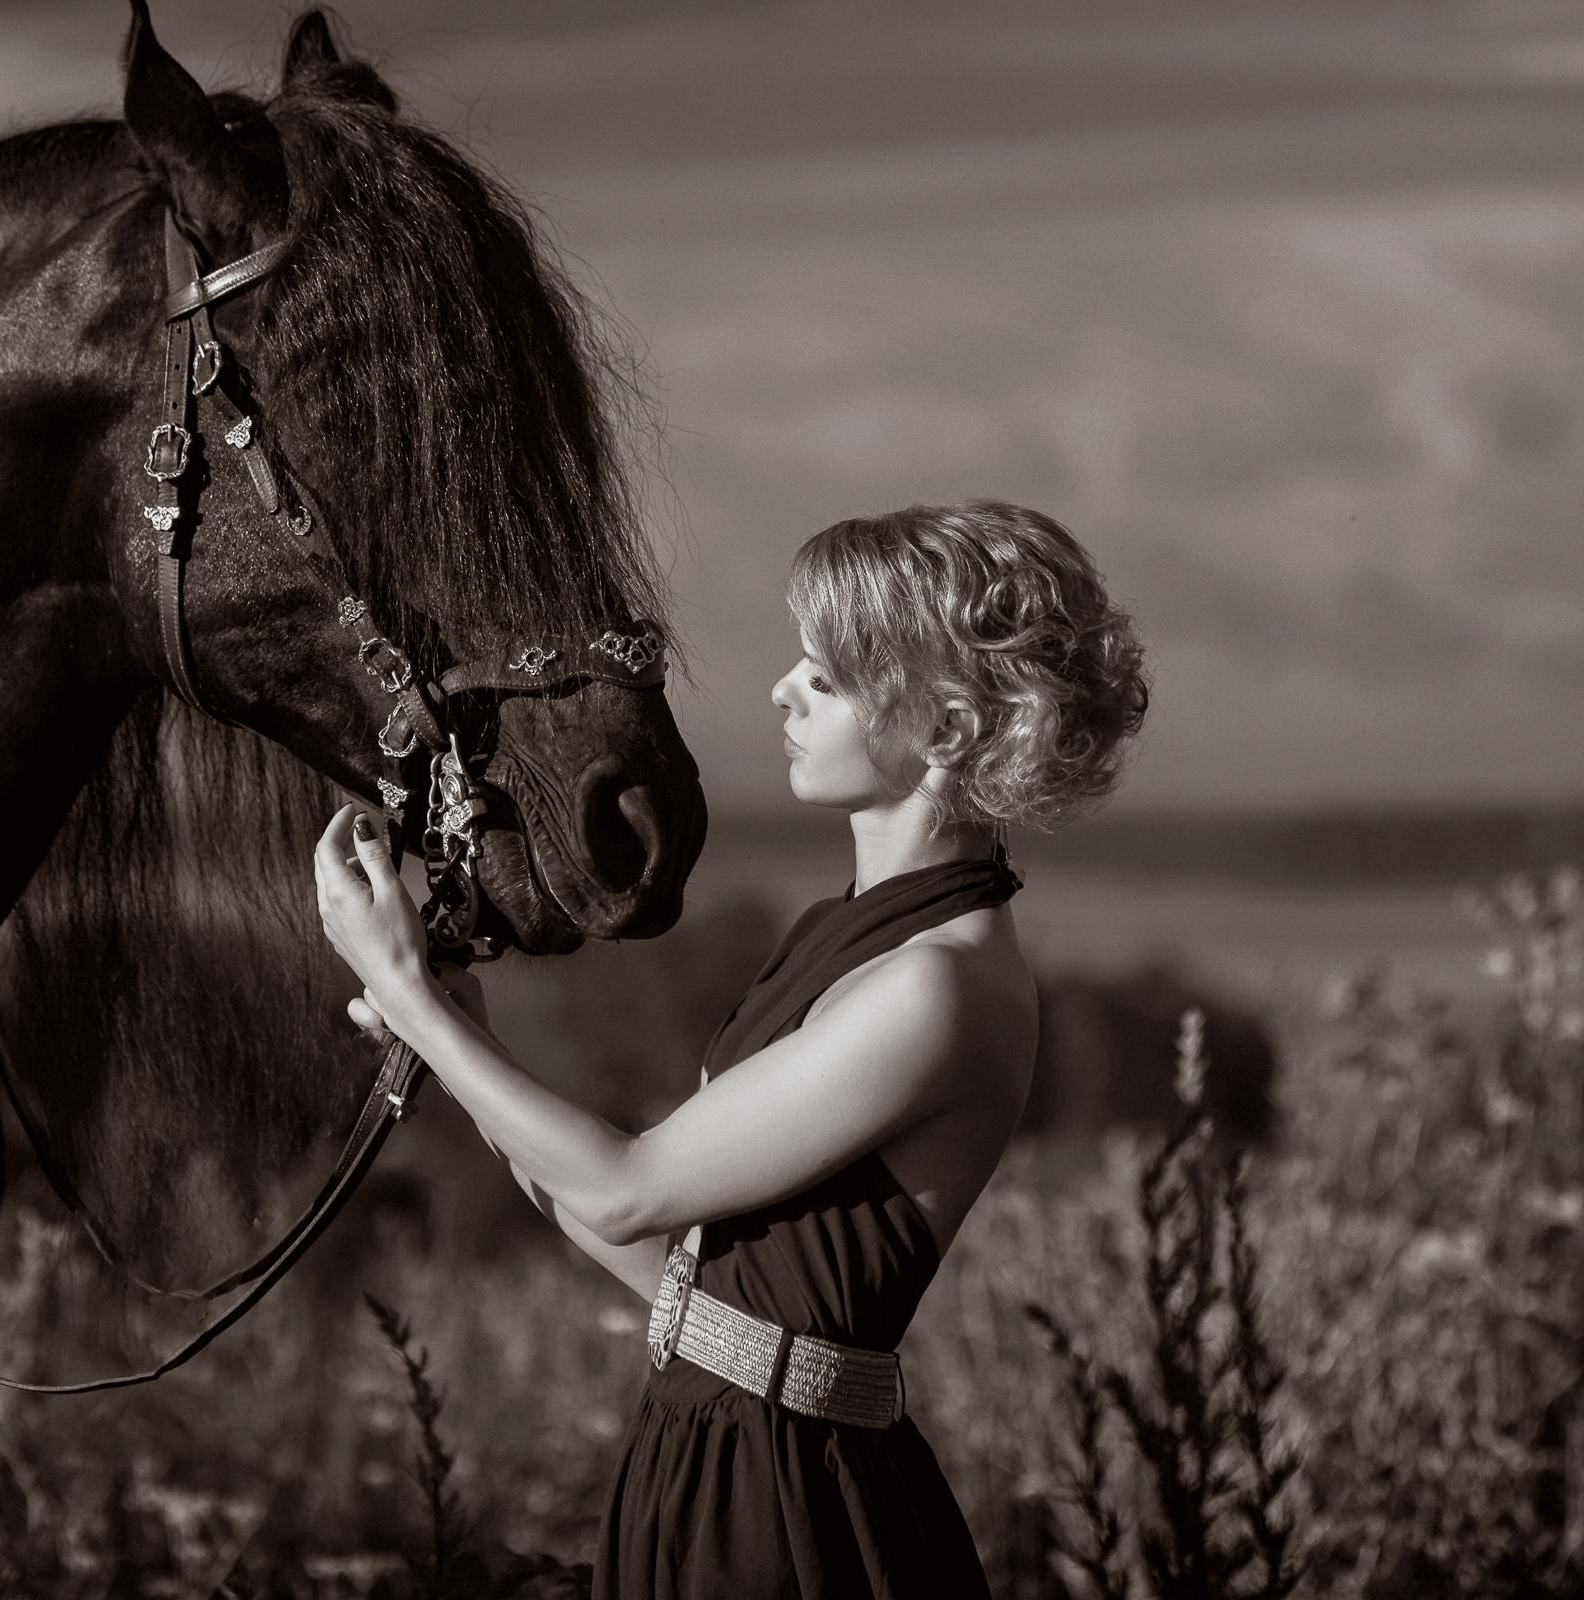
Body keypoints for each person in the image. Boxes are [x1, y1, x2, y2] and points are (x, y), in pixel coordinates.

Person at [314, 499, 1150, 1598]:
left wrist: (409, 992)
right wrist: (464, 1041)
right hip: (705, 1456)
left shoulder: (936, 987)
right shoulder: (846, 935)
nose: (783, 689)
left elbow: (625, 1190)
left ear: (944, 731)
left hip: (789, 1506)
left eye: (829, 675)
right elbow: (677, 1277)